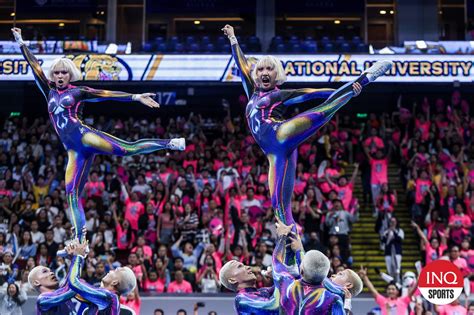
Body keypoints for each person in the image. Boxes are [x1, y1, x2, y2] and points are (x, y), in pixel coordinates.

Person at [11, 27, 185, 245]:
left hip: (86, 137)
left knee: (128, 149)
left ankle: (169, 143)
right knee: (71, 193)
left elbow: (105, 94)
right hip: (74, 152)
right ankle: (79, 238)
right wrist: (20, 41)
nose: (60, 76)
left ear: (70, 74)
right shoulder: (48, 91)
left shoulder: (78, 91)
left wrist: (135, 96)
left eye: (64, 72)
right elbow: (35, 66)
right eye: (56, 73)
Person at [221, 24, 392, 233]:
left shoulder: (278, 94)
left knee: (323, 110)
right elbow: (241, 63)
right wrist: (233, 38)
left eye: (270, 68)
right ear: (256, 74)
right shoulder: (252, 91)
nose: (265, 72)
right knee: (278, 206)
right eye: (261, 69)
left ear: (277, 75)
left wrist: (344, 91)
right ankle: (292, 253)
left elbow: (312, 93)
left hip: (282, 133)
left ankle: (363, 79)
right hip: (274, 154)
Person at [67, 238, 137, 315]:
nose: (110, 271)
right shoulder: (91, 308)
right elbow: (72, 288)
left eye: (115, 271)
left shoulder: (111, 299)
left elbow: (73, 283)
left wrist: (78, 257)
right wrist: (72, 259)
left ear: (114, 282)